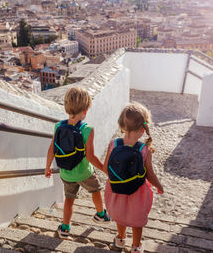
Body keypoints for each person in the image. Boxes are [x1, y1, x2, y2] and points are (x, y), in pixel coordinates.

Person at [45, 87, 110, 239]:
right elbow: (91, 157)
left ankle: (65, 228)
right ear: (86, 110)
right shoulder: (87, 129)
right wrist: (104, 169)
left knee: (69, 199)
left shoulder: (58, 126)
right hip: (84, 172)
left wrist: (47, 167)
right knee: (95, 191)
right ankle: (101, 214)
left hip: (66, 173)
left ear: (67, 107)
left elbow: (52, 149)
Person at [104, 102, 164, 253]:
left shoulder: (113, 144)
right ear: (144, 129)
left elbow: (106, 168)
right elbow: (149, 174)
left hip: (116, 189)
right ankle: (136, 247)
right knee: (137, 221)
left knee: (120, 215)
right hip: (137, 192)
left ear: (121, 125)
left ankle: (120, 239)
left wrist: (120, 178)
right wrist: (158, 185)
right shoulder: (144, 150)